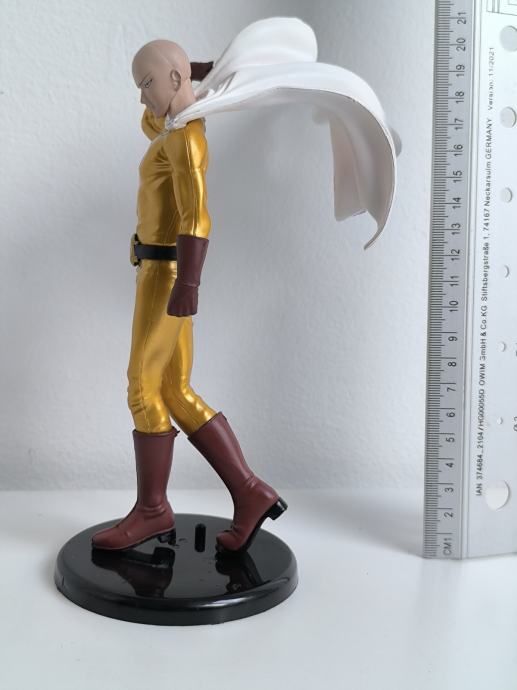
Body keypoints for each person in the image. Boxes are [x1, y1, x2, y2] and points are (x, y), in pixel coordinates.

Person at [91, 40, 287, 553]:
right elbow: (151, 120)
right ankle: (250, 491)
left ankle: (152, 511)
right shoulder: (171, 128)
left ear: (173, 81)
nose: (141, 97)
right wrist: (194, 74)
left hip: (165, 273)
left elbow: (197, 216)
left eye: (146, 84)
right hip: (158, 269)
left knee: (142, 387)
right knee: (175, 390)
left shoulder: (186, 140)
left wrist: (188, 284)